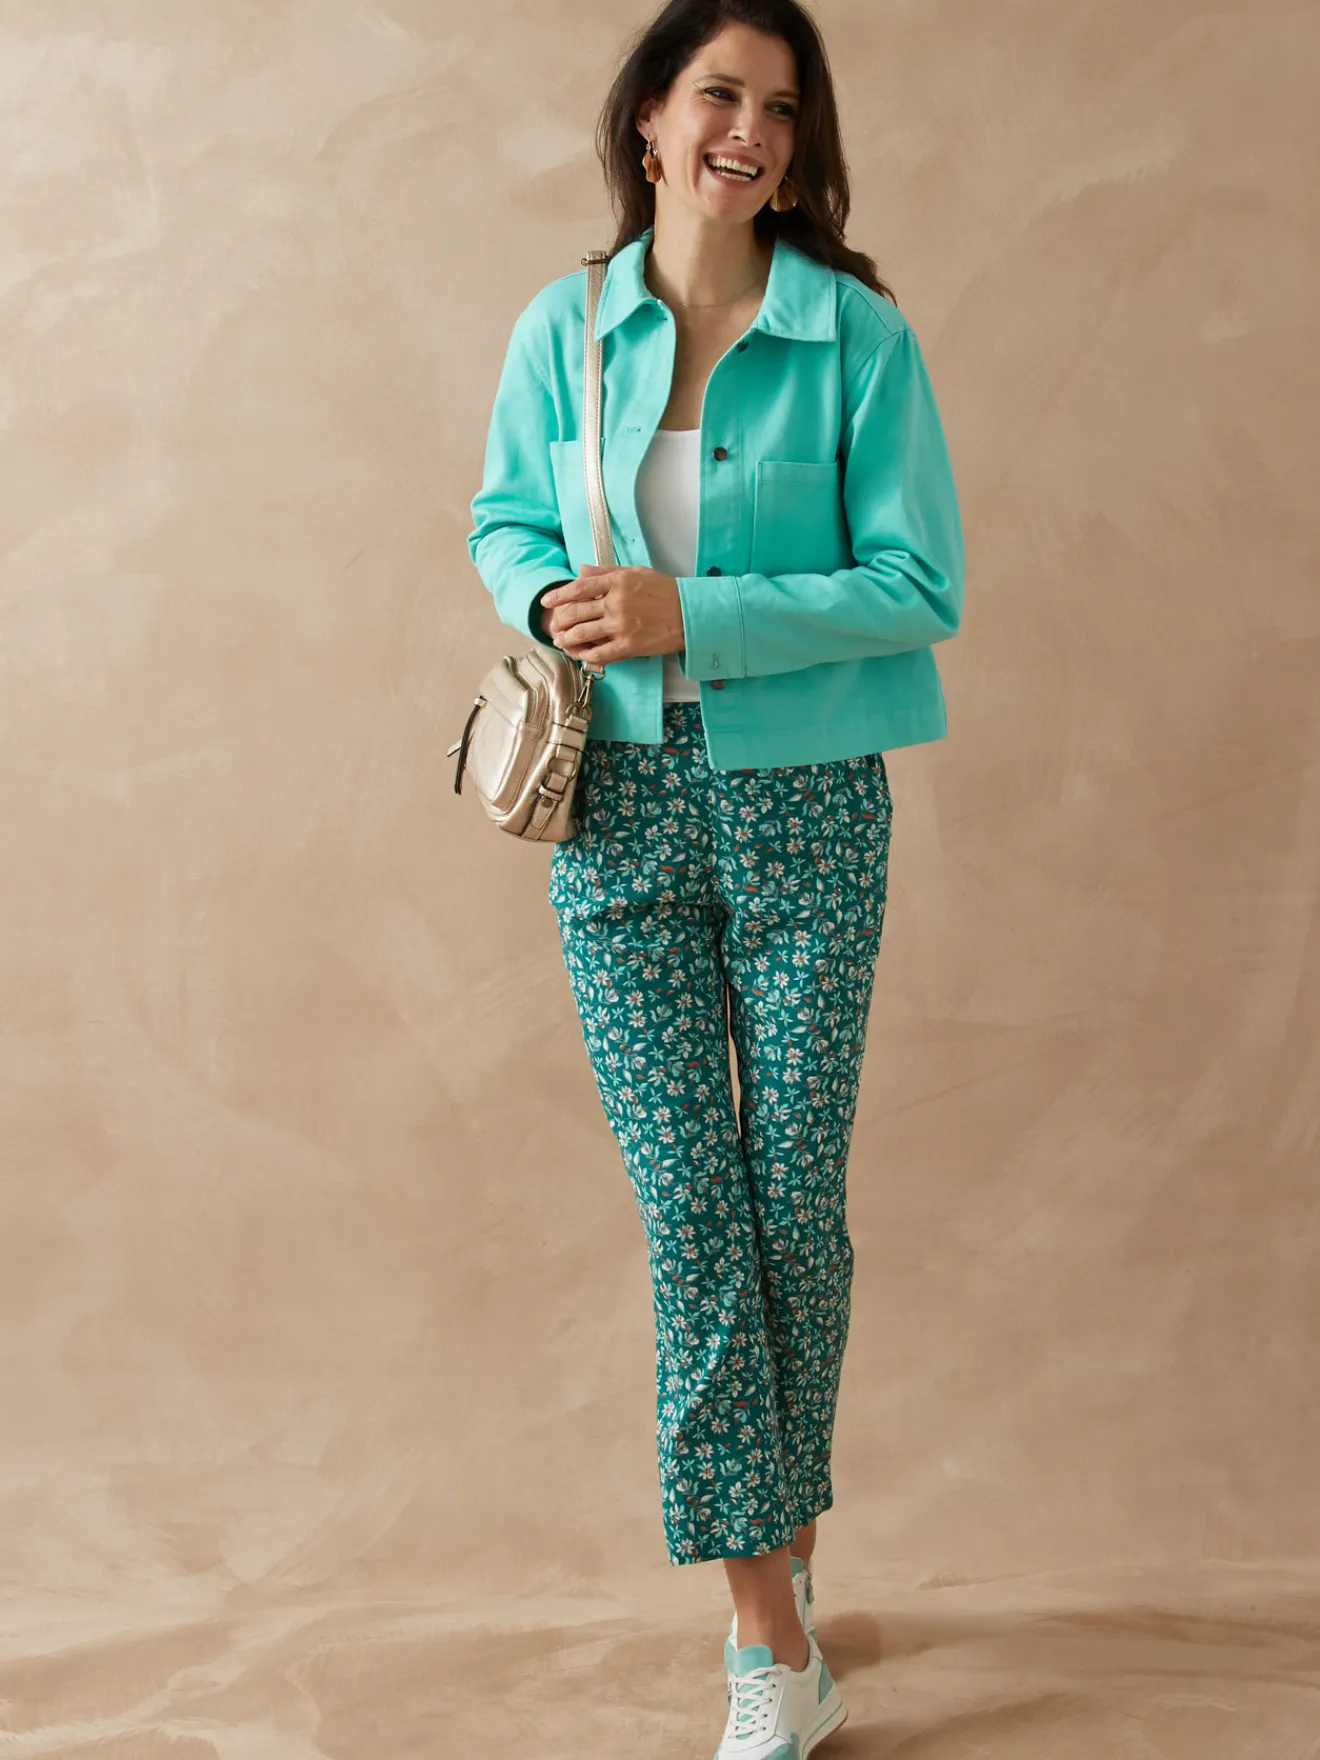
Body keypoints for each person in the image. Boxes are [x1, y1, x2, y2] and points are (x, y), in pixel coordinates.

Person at [467, 2, 964, 1750]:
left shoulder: (857, 338)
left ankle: (784, 1555)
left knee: (789, 1203)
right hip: (615, 810)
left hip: (812, 804)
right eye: (718, 95)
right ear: (651, 122)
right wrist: (551, 599)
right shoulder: (564, 327)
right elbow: (504, 522)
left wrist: (699, 614)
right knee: (692, 1211)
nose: (748, 130)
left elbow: (920, 584)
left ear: (800, 146)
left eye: (781, 107)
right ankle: (770, 1643)